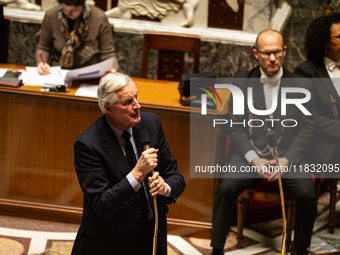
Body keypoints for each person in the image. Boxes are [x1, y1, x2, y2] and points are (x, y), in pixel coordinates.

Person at [210, 29, 318, 255]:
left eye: (277, 53)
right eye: (267, 53)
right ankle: (217, 249)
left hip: (288, 156)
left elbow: (307, 129)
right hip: (250, 154)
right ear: (255, 54)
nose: (272, 59)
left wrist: (287, 159)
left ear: (284, 52)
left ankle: (300, 249)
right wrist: (253, 158)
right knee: (225, 189)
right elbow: (235, 126)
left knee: (307, 194)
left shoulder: (302, 85)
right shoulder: (240, 82)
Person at [71, 72, 185, 255]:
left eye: (136, 97)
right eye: (128, 102)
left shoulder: (151, 124)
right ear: (109, 108)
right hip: (109, 243)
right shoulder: (88, 145)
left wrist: (166, 188)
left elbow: (175, 176)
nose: (137, 106)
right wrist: (137, 174)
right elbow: (102, 203)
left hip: (151, 237)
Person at [294, 13, 340, 169]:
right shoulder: (306, 71)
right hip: (325, 141)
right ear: (324, 42)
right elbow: (307, 116)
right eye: (339, 37)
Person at [36, 0, 119, 75]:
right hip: (59, 72)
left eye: (73, 10)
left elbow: (108, 53)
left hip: (90, 73)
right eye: (64, 10)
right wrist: (41, 63)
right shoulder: (51, 16)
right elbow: (44, 47)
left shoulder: (99, 17)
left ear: (83, 3)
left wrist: (112, 69)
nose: (69, 14)